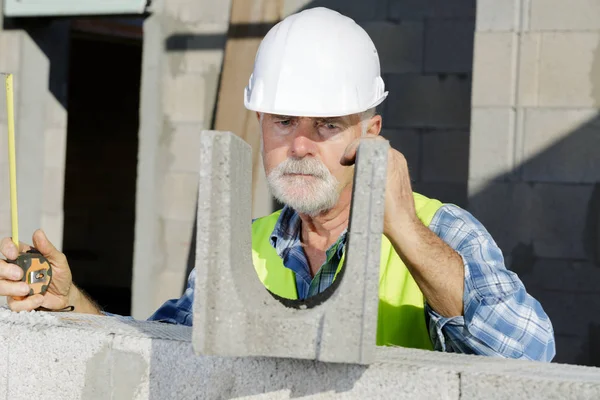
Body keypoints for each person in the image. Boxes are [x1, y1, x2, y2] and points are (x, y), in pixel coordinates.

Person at [0, 7, 555, 361]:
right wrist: (70, 302)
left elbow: (531, 357)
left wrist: (403, 230)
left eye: (327, 125)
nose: (299, 145)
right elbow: (159, 353)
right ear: (260, 124)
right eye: (283, 121)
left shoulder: (442, 230)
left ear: (371, 133)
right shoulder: (243, 247)